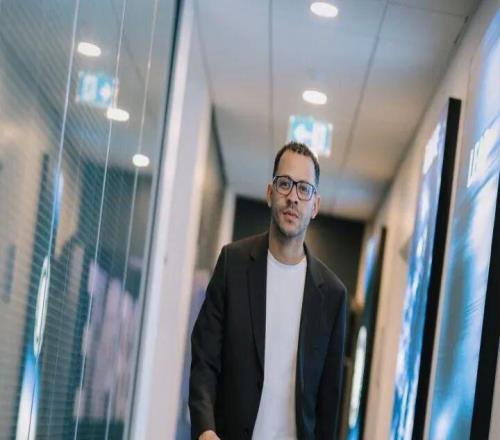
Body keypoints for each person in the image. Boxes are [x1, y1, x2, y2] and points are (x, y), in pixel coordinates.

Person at [189, 142, 347, 440]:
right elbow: (204, 359)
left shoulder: (332, 296)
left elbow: (329, 403)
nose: (293, 197)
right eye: (285, 184)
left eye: (304, 189)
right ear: (270, 193)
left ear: (315, 206)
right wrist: (205, 429)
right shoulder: (233, 264)